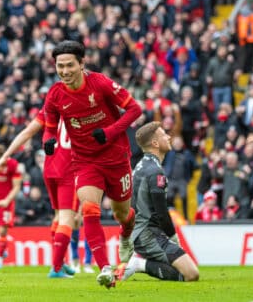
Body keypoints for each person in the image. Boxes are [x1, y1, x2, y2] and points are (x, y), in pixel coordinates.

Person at [43, 40, 141, 288]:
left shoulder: (100, 83)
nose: (64, 71)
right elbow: (50, 125)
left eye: (69, 66)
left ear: (82, 63)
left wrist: (109, 132)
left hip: (116, 157)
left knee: (122, 214)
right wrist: (48, 140)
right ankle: (105, 268)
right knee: (89, 208)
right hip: (85, 161)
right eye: (59, 66)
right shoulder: (55, 94)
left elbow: (134, 109)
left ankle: (127, 234)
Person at [0, 106, 76, 278]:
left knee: (58, 217)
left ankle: (60, 261)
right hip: (68, 170)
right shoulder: (83, 109)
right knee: (68, 219)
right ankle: (57, 266)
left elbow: (26, 133)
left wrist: (5, 156)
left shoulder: (50, 110)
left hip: (49, 169)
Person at [116, 121, 199, 282]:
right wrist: (174, 240)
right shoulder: (155, 171)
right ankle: (139, 264)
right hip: (148, 234)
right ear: (155, 143)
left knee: (184, 273)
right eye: (163, 135)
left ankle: (141, 264)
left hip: (142, 232)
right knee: (191, 274)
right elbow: (162, 212)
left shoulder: (141, 166)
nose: (168, 137)